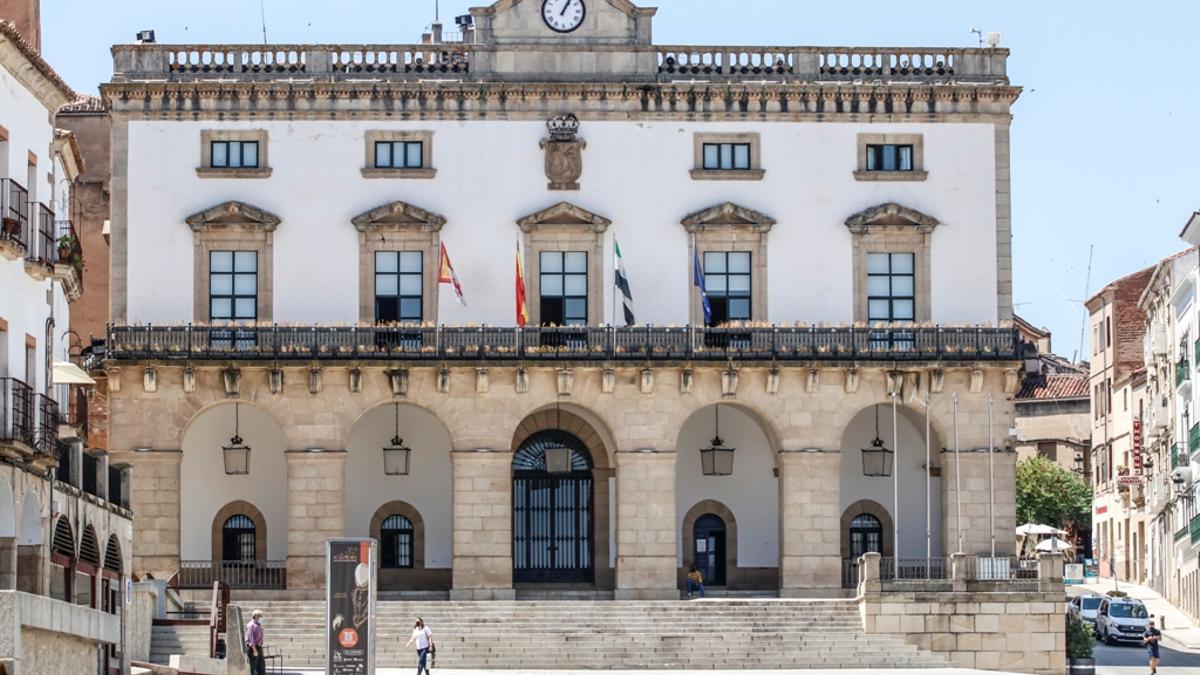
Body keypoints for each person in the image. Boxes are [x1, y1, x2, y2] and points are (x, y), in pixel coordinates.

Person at [244, 609, 266, 675]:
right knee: (253, 668)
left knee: (261, 667)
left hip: (258, 647)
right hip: (252, 648)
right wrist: (254, 650)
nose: (261, 618)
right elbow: (251, 639)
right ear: (256, 616)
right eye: (260, 616)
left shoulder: (258, 625)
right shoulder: (251, 625)